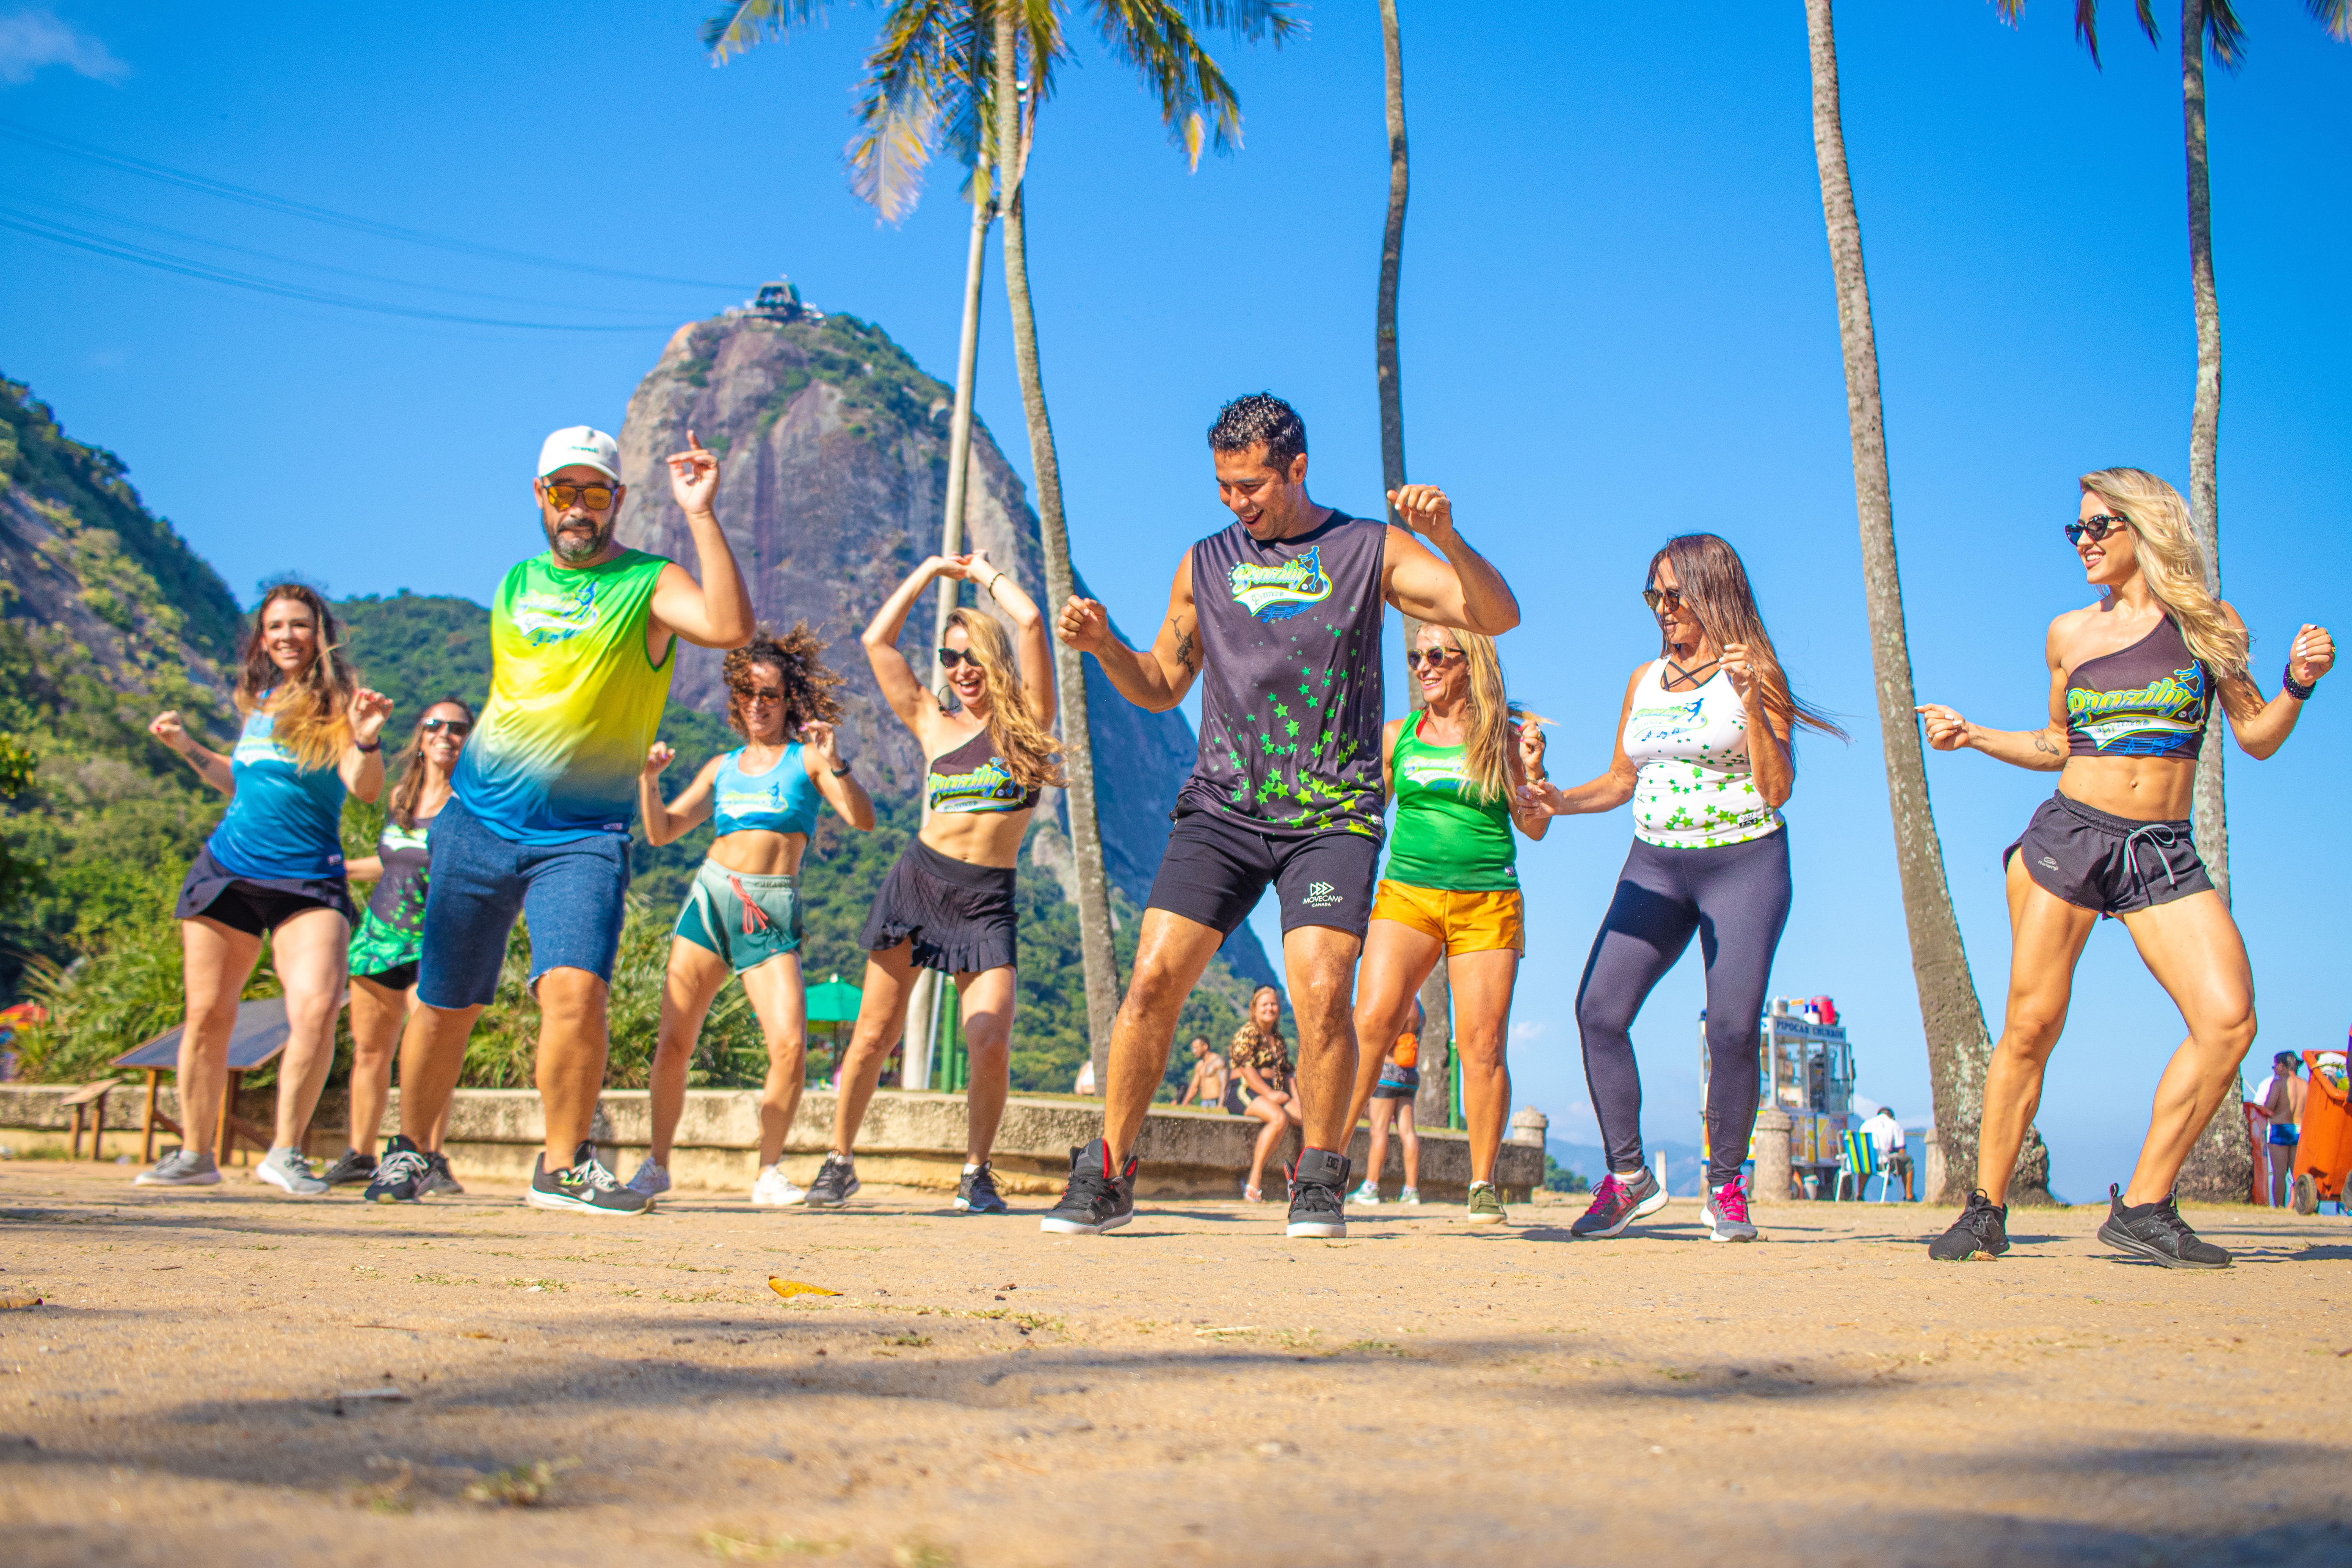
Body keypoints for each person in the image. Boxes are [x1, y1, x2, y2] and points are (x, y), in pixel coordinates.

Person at [1042, 393, 1521, 1239]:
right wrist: (1106, 646)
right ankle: (1109, 1170)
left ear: (1297, 467)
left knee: (1326, 990)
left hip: (1331, 809)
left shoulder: (1368, 548)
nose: (1237, 501)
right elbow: (1161, 684)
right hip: (1224, 804)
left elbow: (1495, 614)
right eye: (1225, 486)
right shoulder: (1205, 562)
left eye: (1253, 484)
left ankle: (1320, 1177)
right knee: (1152, 977)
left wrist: (1446, 538)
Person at [1918, 468, 2333, 1268]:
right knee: (2032, 1025)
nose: (2082, 542)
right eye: (2074, 529)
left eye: (2098, 526)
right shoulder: (2068, 634)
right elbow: (2055, 745)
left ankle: (2143, 1204)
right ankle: (1985, 1207)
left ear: (2145, 528)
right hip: (2070, 836)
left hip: (2161, 849)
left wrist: (2297, 684)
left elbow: (2257, 734)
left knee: (2228, 1022)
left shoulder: (2210, 624)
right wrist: (1972, 735)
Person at [365, 425, 751, 1212]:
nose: (578, 509)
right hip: (476, 822)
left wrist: (701, 514)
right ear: (540, 498)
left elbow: (727, 626)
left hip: (580, 835)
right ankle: (410, 1150)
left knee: (575, 990)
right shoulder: (515, 582)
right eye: (563, 492)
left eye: (595, 492)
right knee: (447, 999)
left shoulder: (650, 581)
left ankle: (563, 1162)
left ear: (617, 500)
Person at [1520, 534, 1843, 1244]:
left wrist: (1757, 704)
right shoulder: (1643, 679)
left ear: (1713, 592)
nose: (1662, 609)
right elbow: (1619, 781)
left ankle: (1726, 1188)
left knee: (1730, 1029)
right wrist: (1555, 801)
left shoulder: (1757, 673)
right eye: (1653, 595)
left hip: (1744, 861)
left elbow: (1777, 788)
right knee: (1598, 1010)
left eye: (1675, 594)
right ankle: (1628, 1178)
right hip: (1655, 862)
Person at [808, 551, 1058, 1216]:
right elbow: (876, 642)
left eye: (972, 655)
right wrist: (924, 573)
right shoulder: (931, 720)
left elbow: (1032, 619)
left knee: (991, 1039)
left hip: (985, 901)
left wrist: (980, 576)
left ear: (994, 659)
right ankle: (840, 1159)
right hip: (918, 885)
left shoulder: (1029, 723)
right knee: (871, 1037)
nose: (961, 670)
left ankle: (976, 1172)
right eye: (950, 659)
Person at [139, 584, 393, 1191]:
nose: (285, 636)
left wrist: (367, 736)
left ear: (319, 634)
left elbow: (364, 788)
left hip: (307, 879)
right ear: (263, 637)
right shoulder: (260, 700)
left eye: (298, 625)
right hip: (226, 870)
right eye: (275, 626)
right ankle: (196, 1156)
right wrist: (185, 748)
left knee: (314, 1008)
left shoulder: (341, 706)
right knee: (206, 1015)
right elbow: (245, 784)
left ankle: (284, 1152)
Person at [626, 625, 875, 1205]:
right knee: (674, 1042)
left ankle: (768, 1172)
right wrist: (648, 781)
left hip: (770, 908)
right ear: (736, 700)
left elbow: (863, 821)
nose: (758, 705)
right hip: (711, 899)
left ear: (789, 702)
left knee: (789, 1044)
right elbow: (662, 833)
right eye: (748, 694)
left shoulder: (807, 759)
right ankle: (657, 1164)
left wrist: (839, 765)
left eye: (770, 695)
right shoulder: (722, 767)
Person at [1346, 622, 1552, 1225]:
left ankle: (1482, 1183)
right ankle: (1325, 1161)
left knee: (1482, 1046)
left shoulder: (1507, 737)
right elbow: (1365, 816)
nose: (1423, 666)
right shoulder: (1399, 736)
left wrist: (1533, 774)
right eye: (1416, 656)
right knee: (1371, 1023)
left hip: (1486, 901)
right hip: (1407, 894)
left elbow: (1535, 826)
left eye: (1437, 655)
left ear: (1470, 663)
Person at [321, 700, 472, 1192]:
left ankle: (429, 1155)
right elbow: (395, 860)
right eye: (435, 724)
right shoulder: (401, 798)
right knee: (370, 1050)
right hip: (379, 939)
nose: (445, 733)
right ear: (421, 735)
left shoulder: (473, 802)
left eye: (457, 727)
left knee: (428, 1049)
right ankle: (360, 1153)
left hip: (436, 941)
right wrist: (339, 868)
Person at [1228, 986, 1301, 1201]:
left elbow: (1288, 1073)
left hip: (1274, 1092)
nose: (1270, 1008)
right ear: (1255, 1009)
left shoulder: (1278, 1039)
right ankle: (1254, 1178)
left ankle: (1304, 1180)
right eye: (1265, 1005)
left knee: (1308, 1120)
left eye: (1274, 1004)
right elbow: (1245, 1068)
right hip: (1245, 1090)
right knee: (1279, 1118)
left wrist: (1296, 1099)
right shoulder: (1248, 1032)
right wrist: (1269, 1093)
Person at [1350, 1000, 1425, 1208]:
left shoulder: (1396, 1002)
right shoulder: (1419, 1008)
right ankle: (1411, 1191)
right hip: (1410, 1073)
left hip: (1388, 1070)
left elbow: (1382, 1038)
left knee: (1379, 1130)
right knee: (1409, 1131)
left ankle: (1371, 1187)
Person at [2254, 1053, 2307, 1210]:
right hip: (2300, 1130)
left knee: (2279, 1173)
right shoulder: (2306, 1085)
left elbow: (2270, 1109)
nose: (2275, 1070)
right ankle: (2297, 1206)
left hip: (2280, 1129)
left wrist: (2257, 1107)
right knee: (2297, 1174)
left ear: (2282, 1066)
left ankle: (2279, 1207)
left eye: (2275, 1066)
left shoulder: (2278, 1084)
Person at [1859, 1105, 1910, 1201]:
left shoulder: (1865, 1124)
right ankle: (1909, 1196)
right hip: (1882, 1163)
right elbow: (1902, 1151)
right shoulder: (1894, 1125)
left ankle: (1859, 1195)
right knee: (1907, 1161)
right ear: (1893, 1117)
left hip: (1861, 1163)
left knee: (1867, 1160)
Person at [1174, 1037, 1227, 1110]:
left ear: (1205, 1047)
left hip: (1215, 1102)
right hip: (1204, 1103)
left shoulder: (1218, 1062)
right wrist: (1184, 1104)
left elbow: (1224, 1085)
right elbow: (1194, 1087)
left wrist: (1220, 1105)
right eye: (1193, 1049)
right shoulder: (1200, 1065)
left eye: (1196, 1048)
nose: (1194, 1051)